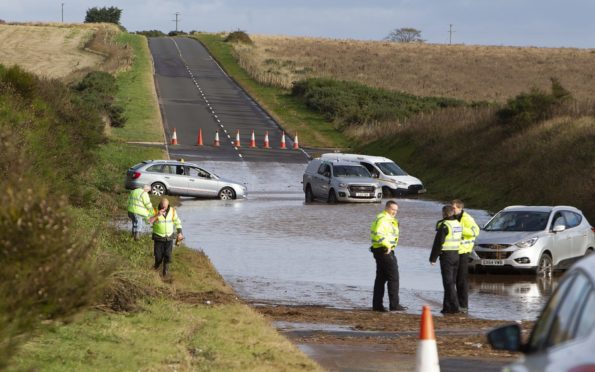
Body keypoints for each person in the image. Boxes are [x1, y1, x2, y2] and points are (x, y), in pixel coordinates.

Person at [370, 200, 406, 312]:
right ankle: (394, 305)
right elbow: (378, 234)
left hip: (381, 250)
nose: (394, 212)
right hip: (384, 250)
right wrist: (387, 245)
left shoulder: (388, 219)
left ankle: (377, 305)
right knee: (393, 277)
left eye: (396, 210)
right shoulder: (383, 219)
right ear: (386, 208)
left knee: (381, 278)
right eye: (392, 209)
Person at [429, 205, 463, 314]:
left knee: (448, 283)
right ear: (452, 213)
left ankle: (455, 307)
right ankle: (447, 307)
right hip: (456, 255)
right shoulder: (457, 223)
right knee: (451, 283)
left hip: (447, 257)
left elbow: (438, 243)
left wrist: (433, 258)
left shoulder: (444, 225)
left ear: (444, 213)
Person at [452, 199, 480, 314]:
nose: (452, 209)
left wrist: (460, 230)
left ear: (460, 208)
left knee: (462, 280)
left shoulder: (467, 218)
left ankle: (463, 305)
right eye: (451, 207)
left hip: (463, 253)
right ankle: (455, 304)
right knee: (452, 280)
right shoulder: (453, 217)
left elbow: (476, 231)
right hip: (453, 252)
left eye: (454, 208)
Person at [149, 198, 183, 277]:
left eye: (165, 206)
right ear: (160, 204)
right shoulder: (154, 210)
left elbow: (177, 222)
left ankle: (165, 273)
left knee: (168, 256)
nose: (164, 208)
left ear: (168, 205)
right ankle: (155, 267)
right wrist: (157, 215)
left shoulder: (173, 211)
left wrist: (180, 233)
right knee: (158, 257)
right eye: (162, 206)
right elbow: (148, 221)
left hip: (169, 237)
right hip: (158, 237)